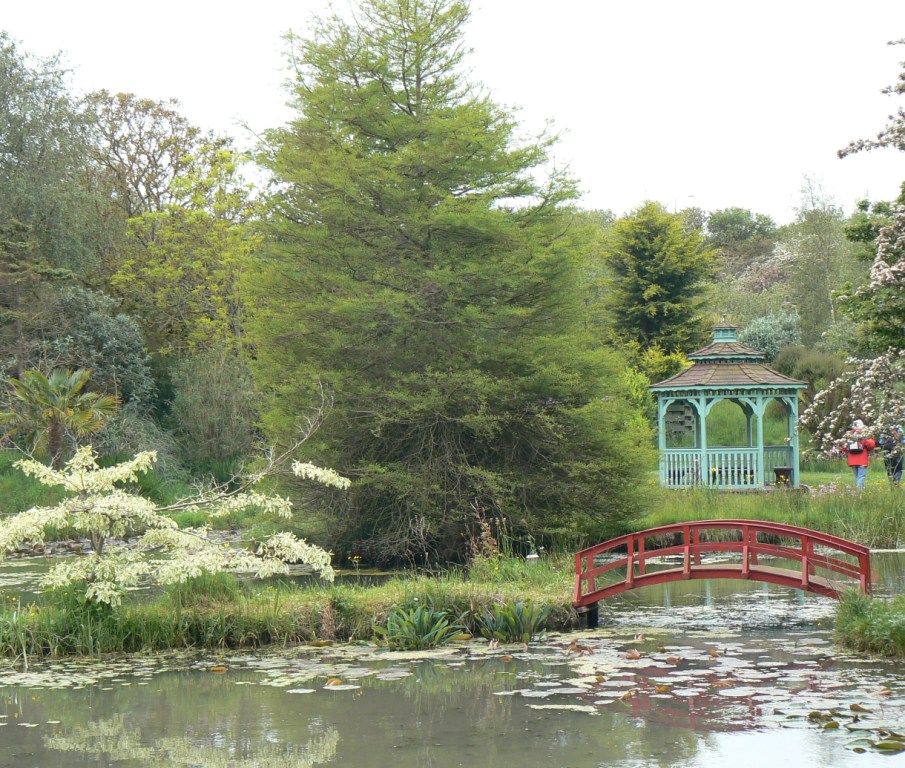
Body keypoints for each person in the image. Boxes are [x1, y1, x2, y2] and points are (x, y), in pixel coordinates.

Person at [842, 419, 877, 490]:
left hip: (852, 461)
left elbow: (843, 447)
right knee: (861, 477)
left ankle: (861, 492)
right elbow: (871, 445)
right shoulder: (865, 434)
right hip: (862, 460)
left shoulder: (849, 435)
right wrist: (864, 440)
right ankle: (859, 494)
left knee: (858, 477)